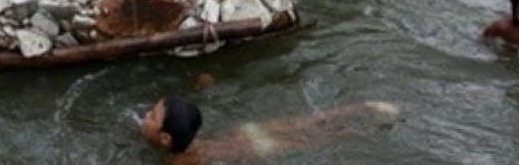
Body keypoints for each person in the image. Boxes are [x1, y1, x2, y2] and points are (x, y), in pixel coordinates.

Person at [141, 97, 399, 163]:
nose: (144, 117)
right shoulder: (189, 141)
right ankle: (365, 107)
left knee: (320, 139)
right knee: (313, 121)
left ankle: (373, 129)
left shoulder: (180, 161)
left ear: (165, 139)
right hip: (246, 133)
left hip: (258, 147)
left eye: (151, 116)